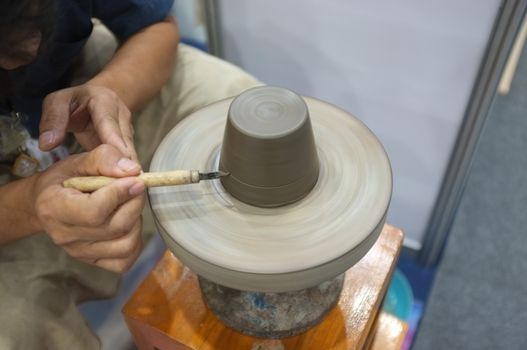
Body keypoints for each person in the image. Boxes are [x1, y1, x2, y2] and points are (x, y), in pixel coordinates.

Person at [0, 0, 260, 348]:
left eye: (38, 18)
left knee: (236, 109)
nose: (32, 49)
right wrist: (31, 204)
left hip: (78, 91)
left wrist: (113, 90)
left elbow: (157, 27)